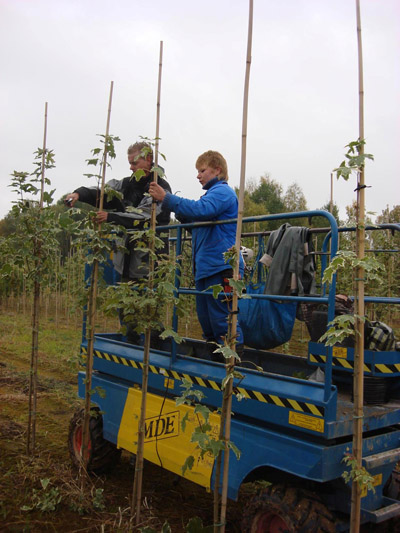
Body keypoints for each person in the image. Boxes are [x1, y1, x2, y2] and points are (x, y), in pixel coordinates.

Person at [65, 141, 172, 343]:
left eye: (134, 162)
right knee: (126, 312)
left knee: (149, 313)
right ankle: (131, 351)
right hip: (126, 260)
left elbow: (145, 215)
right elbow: (103, 192)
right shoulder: (125, 184)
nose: (131, 167)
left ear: (148, 159)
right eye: (129, 163)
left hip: (149, 262)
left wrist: (111, 217)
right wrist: (79, 193)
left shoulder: (160, 188)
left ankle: (156, 354)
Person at [149, 150, 244, 358]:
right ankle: (215, 363)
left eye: (202, 170)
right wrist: (183, 214)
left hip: (222, 267)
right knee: (208, 321)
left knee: (223, 320)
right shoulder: (211, 196)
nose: (198, 175)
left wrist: (168, 199)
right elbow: (200, 223)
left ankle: (231, 367)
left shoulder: (222, 192)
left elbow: (202, 210)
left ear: (217, 170)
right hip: (207, 267)